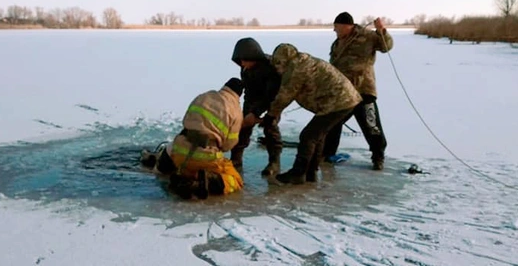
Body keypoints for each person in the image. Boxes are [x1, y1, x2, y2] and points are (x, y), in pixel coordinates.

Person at [259, 43, 362, 185]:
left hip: (338, 101)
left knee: (308, 136)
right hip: (343, 100)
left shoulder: (296, 68)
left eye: (278, 64)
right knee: (317, 136)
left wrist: (271, 116)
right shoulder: (300, 61)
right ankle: (311, 172)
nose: (277, 68)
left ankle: (298, 173)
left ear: (283, 60)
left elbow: (285, 95)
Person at [140, 78, 245, 199]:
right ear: (239, 95)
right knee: (236, 180)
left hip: (179, 152)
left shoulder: (203, 97)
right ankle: (203, 183)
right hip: (206, 158)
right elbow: (228, 145)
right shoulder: (236, 111)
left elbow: (186, 121)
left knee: (171, 147)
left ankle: (161, 166)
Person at [322, 11, 394, 170]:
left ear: (347, 26)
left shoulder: (367, 37)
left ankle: (378, 157)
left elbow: (386, 46)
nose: (335, 30)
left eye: (336, 27)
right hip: (343, 93)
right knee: (332, 123)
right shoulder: (337, 44)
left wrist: (382, 31)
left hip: (363, 91)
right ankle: (327, 154)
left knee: (371, 125)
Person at [230, 37, 283, 176]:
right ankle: (236, 158)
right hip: (254, 99)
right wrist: (248, 111)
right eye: (240, 61)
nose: (242, 63)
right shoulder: (245, 68)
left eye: (244, 60)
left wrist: (256, 113)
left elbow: (271, 95)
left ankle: (274, 162)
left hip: (274, 99)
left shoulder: (271, 68)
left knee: (270, 127)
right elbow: (248, 90)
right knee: (243, 126)